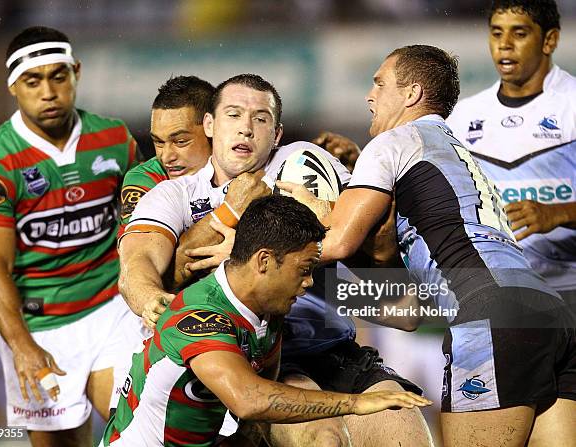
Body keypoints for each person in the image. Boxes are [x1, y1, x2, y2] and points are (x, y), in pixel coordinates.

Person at [278, 44, 576, 447]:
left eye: (379, 83)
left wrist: (303, 211)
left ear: (412, 93)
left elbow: (337, 244)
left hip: (488, 314)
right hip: (550, 310)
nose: (369, 95)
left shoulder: (393, 142)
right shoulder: (455, 151)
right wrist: (381, 253)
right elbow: (408, 313)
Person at [119, 74, 432, 446]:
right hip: (238, 359)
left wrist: (380, 252)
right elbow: (137, 265)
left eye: (261, 119)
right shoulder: (176, 195)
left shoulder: (309, 166)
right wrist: (148, 297)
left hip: (330, 350)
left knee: (404, 427)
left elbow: (401, 314)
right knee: (324, 439)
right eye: (234, 115)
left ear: (277, 133)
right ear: (210, 125)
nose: (247, 129)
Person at [104, 195, 431, 447]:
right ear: (263, 261)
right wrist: (356, 404)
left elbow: (253, 418)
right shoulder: (200, 316)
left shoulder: (267, 314)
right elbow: (250, 400)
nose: (309, 283)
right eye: (303, 270)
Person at [0, 26, 145, 446]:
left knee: (139, 432)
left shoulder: (115, 139)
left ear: (75, 73)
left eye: (58, 76)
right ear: (13, 86)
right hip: (39, 327)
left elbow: (144, 226)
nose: (48, 92)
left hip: (111, 309)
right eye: (33, 80)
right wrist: (22, 345)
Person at [447, 0, 576, 310]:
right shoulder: (464, 116)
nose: (504, 45)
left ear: (550, 40)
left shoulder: (571, 104)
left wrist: (558, 213)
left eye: (519, 33)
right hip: (501, 295)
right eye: (496, 33)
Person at [118, 76, 215, 238]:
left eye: (180, 141)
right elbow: (144, 254)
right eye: (159, 142)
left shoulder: (247, 164)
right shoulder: (145, 178)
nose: (166, 157)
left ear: (213, 129)